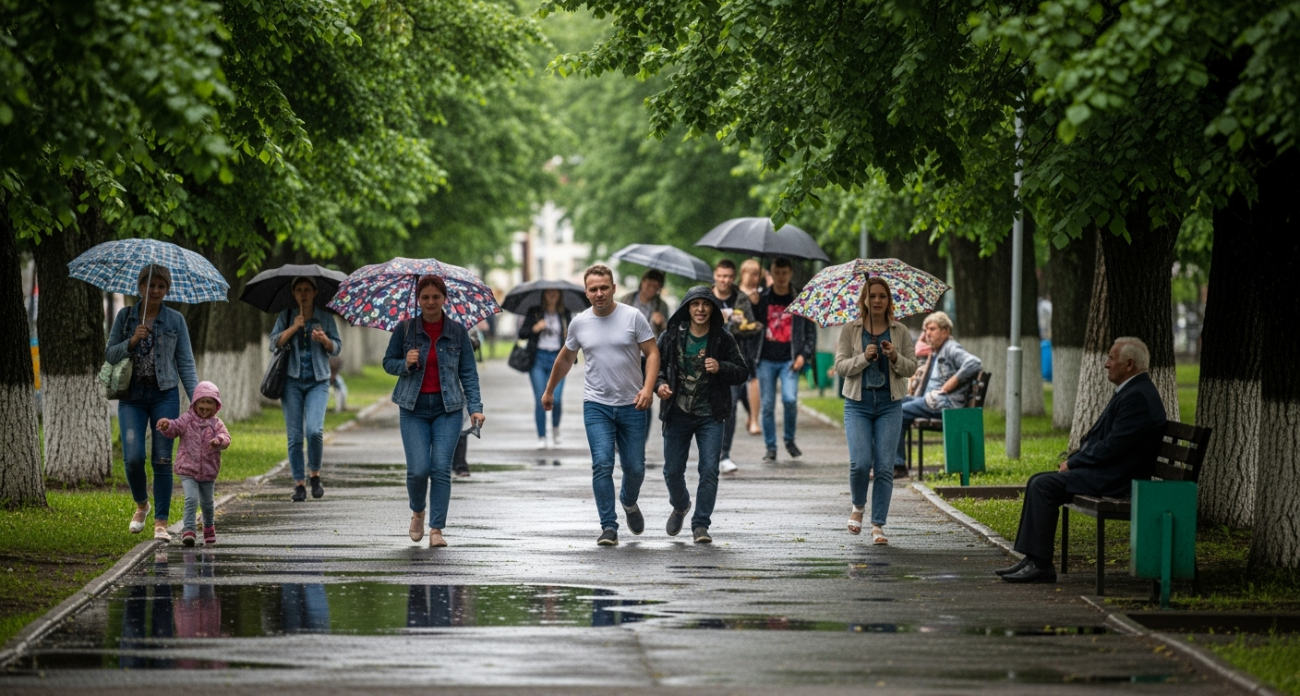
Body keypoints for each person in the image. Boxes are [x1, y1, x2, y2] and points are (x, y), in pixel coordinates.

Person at [998, 337, 1166, 583]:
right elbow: (1106, 441)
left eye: (1111, 358)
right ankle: (1034, 559)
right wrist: (1077, 458)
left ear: (1129, 364)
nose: (1106, 364)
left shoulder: (1137, 396)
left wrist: (1075, 463)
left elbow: (1113, 447)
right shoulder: (1133, 390)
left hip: (1119, 480)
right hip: (1114, 472)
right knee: (1039, 480)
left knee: (1043, 486)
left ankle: (1040, 564)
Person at [543, 264, 659, 546]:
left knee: (635, 468)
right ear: (586, 292)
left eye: (604, 288)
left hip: (632, 403)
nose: (599, 293)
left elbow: (653, 353)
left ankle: (629, 502)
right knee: (602, 464)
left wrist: (647, 388)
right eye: (593, 289)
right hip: (597, 405)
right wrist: (549, 391)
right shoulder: (580, 323)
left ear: (614, 288)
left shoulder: (633, 317)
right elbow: (565, 358)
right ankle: (609, 526)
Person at [384, 275, 486, 548]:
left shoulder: (457, 331)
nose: (430, 302)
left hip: (448, 409)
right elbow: (387, 362)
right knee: (418, 470)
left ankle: (436, 529)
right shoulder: (405, 329)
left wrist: (475, 408)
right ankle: (418, 511)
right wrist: (404, 362)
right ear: (418, 299)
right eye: (425, 297)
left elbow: (469, 373)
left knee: (441, 468)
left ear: (444, 299)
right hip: (413, 408)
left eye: (435, 297)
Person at [106, 264, 199, 542]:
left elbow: (185, 362)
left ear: (167, 289)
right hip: (131, 398)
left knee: (162, 458)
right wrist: (132, 341)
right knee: (133, 458)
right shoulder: (125, 317)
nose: (156, 290)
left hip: (164, 395)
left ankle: (160, 522)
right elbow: (110, 354)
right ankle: (141, 505)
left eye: (161, 286)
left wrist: (197, 401)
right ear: (141, 287)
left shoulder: (175, 321)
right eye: (151, 285)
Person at [655, 286, 750, 543]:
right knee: (672, 471)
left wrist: (721, 367)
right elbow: (655, 367)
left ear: (712, 308)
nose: (700, 309)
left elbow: (742, 371)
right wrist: (659, 385)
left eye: (705, 304)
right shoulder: (672, 335)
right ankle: (681, 504)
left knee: (709, 470)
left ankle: (700, 525)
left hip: (711, 414)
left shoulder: (722, 338)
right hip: (677, 412)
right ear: (687, 306)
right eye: (695, 304)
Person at [834, 278, 917, 545]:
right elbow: (841, 367)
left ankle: (878, 524)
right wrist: (863, 358)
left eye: (882, 296)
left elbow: (911, 367)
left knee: (884, 466)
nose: (877, 300)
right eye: (873, 296)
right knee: (860, 463)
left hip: (889, 405)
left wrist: (894, 356)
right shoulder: (851, 329)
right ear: (865, 300)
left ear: (889, 300)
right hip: (857, 404)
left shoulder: (900, 331)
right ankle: (858, 506)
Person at [269, 277, 343, 502]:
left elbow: (336, 348)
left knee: (314, 431)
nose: (303, 294)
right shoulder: (287, 316)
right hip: (291, 382)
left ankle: (315, 475)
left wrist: (324, 340)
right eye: (299, 290)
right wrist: (293, 327)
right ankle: (299, 484)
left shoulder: (325, 318)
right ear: (293, 293)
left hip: (318, 381)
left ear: (315, 292)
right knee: (294, 436)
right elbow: (274, 343)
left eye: (307, 290)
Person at [895, 311, 982, 477]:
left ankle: (898, 465)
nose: (928, 333)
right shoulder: (937, 351)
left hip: (944, 403)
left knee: (899, 412)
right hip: (932, 400)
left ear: (945, 331)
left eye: (932, 329)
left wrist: (953, 381)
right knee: (891, 405)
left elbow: (974, 362)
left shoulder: (951, 348)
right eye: (926, 329)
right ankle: (889, 463)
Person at [752, 257, 816, 463]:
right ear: (771, 273)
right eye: (776, 273)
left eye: (784, 273)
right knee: (768, 405)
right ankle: (771, 447)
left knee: (789, 399)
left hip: (790, 360)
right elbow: (749, 326)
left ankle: (789, 439)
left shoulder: (799, 298)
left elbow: (810, 332)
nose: (780, 277)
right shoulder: (762, 298)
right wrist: (751, 304)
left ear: (790, 274)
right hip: (766, 359)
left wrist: (803, 355)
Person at [156, 381, 231, 547]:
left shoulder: (216, 423)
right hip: (188, 468)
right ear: (195, 403)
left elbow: (226, 438)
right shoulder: (187, 419)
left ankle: (209, 528)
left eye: (209, 403)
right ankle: (188, 530)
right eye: (201, 403)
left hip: (208, 471)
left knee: (207, 503)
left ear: (216, 405)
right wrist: (167, 425)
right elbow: (175, 428)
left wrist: (218, 441)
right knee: (191, 498)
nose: (204, 408)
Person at [710, 259, 760, 473]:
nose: (725, 280)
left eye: (729, 276)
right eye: (721, 276)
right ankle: (708, 452)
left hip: (733, 363)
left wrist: (738, 325)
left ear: (733, 277)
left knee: (729, 408)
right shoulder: (705, 297)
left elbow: (752, 327)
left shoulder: (741, 298)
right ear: (715, 275)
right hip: (706, 361)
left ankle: (725, 455)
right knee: (707, 409)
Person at [518, 288, 573, 449]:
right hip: (538, 359)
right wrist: (535, 328)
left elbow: (573, 336)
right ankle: (541, 436)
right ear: (543, 295)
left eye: (556, 293)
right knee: (540, 398)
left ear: (560, 295)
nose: (552, 295)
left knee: (557, 398)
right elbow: (522, 333)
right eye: (549, 293)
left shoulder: (564, 314)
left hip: (559, 359)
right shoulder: (534, 312)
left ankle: (555, 428)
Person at [736, 259, 765, 435]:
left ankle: (754, 418)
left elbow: (762, 321)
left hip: (753, 344)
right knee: (738, 385)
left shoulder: (760, 295)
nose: (754, 278)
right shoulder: (735, 293)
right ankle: (749, 413)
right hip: (735, 342)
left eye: (757, 274)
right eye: (751, 273)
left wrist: (757, 304)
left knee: (753, 379)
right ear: (743, 273)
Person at [619, 269, 670, 338]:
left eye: (655, 287)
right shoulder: (627, 299)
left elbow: (668, 334)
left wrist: (662, 324)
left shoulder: (662, 306)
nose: (651, 289)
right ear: (642, 282)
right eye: (649, 285)